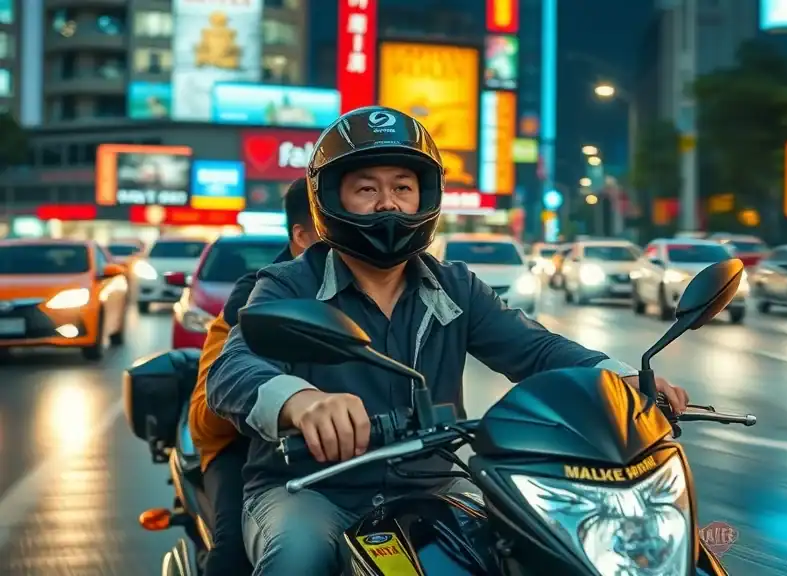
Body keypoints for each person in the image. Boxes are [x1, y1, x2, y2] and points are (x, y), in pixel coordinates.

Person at [205, 106, 690, 576]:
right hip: (310, 488)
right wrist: (301, 402)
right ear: (330, 198)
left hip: (435, 483)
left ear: (426, 196)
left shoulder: (455, 287)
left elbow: (537, 350)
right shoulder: (289, 283)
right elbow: (233, 369)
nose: (387, 203)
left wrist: (619, 378)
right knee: (298, 556)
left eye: (402, 187)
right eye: (366, 189)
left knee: (540, 541)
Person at [188, 177, 314, 575]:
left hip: (347, 452)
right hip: (243, 448)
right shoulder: (260, 295)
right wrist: (289, 405)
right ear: (302, 236)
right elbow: (213, 407)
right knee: (234, 554)